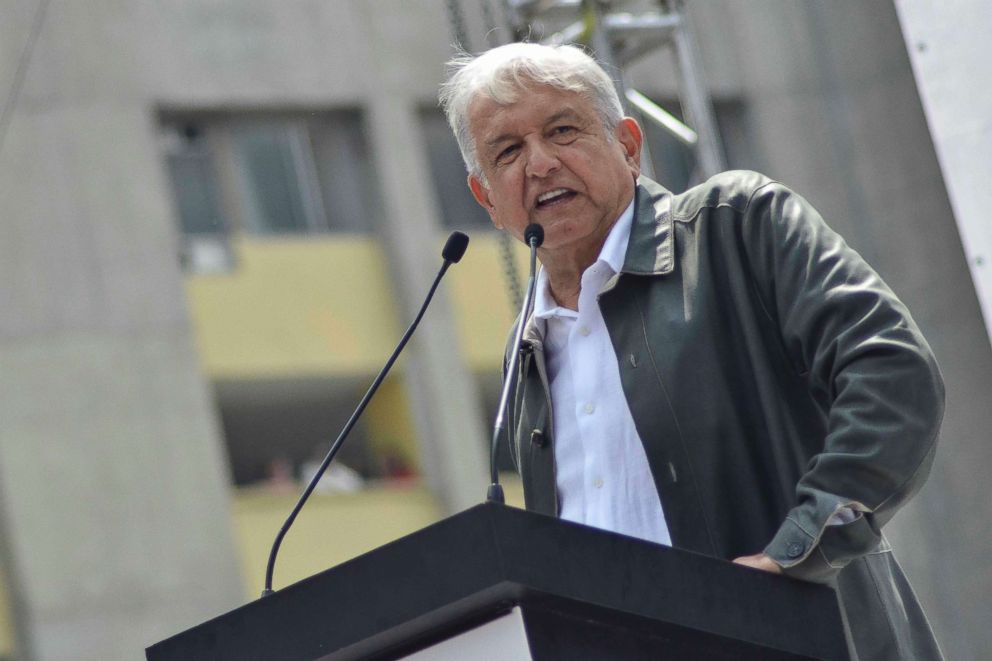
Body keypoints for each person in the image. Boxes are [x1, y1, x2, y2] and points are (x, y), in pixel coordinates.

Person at [439, 42, 944, 660]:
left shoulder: (736, 227)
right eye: (508, 152)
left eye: (562, 130)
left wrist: (800, 550)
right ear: (486, 197)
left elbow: (892, 371)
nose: (540, 164)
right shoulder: (529, 355)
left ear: (628, 144)